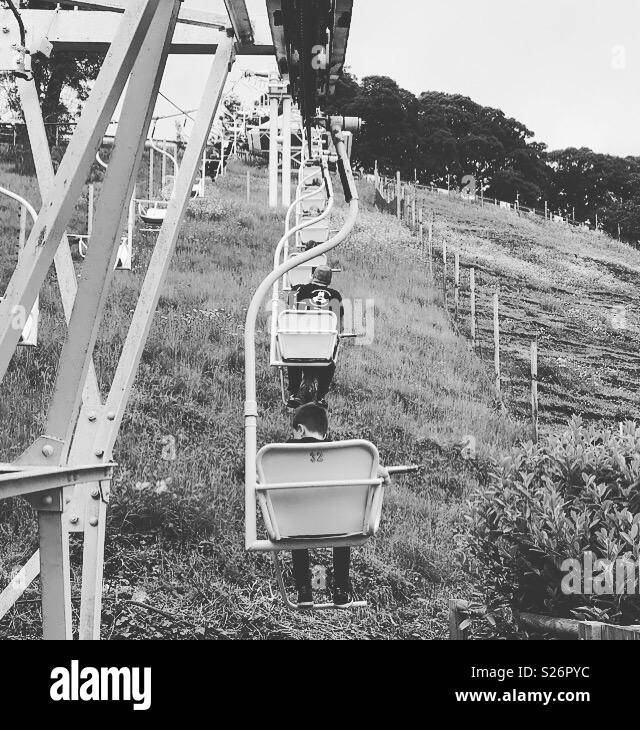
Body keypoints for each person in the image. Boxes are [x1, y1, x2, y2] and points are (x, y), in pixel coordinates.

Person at [288, 403, 389, 609]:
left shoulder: (280, 454)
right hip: (336, 526)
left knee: (297, 525)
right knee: (343, 529)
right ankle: (341, 589)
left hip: (296, 528)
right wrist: (384, 475)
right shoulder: (344, 455)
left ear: (300, 429)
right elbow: (380, 472)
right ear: (324, 431)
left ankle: (304, 591)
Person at [287, 265, 344, 410]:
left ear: (313, 276)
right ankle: (320, 396)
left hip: (299, 345)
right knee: (330, 356)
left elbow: (290, 314)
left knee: (292, 349)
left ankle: (293, 392)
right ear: (329, 281)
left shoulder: (298, 290)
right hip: (323, 347)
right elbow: (338, 324)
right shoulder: (335, 295)